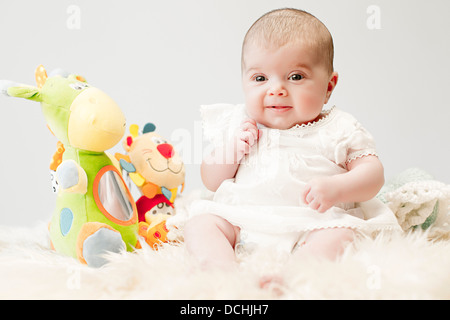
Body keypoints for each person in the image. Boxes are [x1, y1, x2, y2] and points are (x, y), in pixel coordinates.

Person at [184, 8, 401, 269]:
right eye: (260, 78)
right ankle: (220, 269)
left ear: (329, 86)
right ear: (244, 81)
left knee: (339, 235)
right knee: (202, 223)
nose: (276, 90)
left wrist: (338, 188)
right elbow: (211, 180)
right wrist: (231, 151)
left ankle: (293, 276)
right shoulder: (240, 123)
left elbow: (373, 174)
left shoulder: (339, 127)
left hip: (315, 222)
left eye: (296, 77)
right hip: (242, 219)